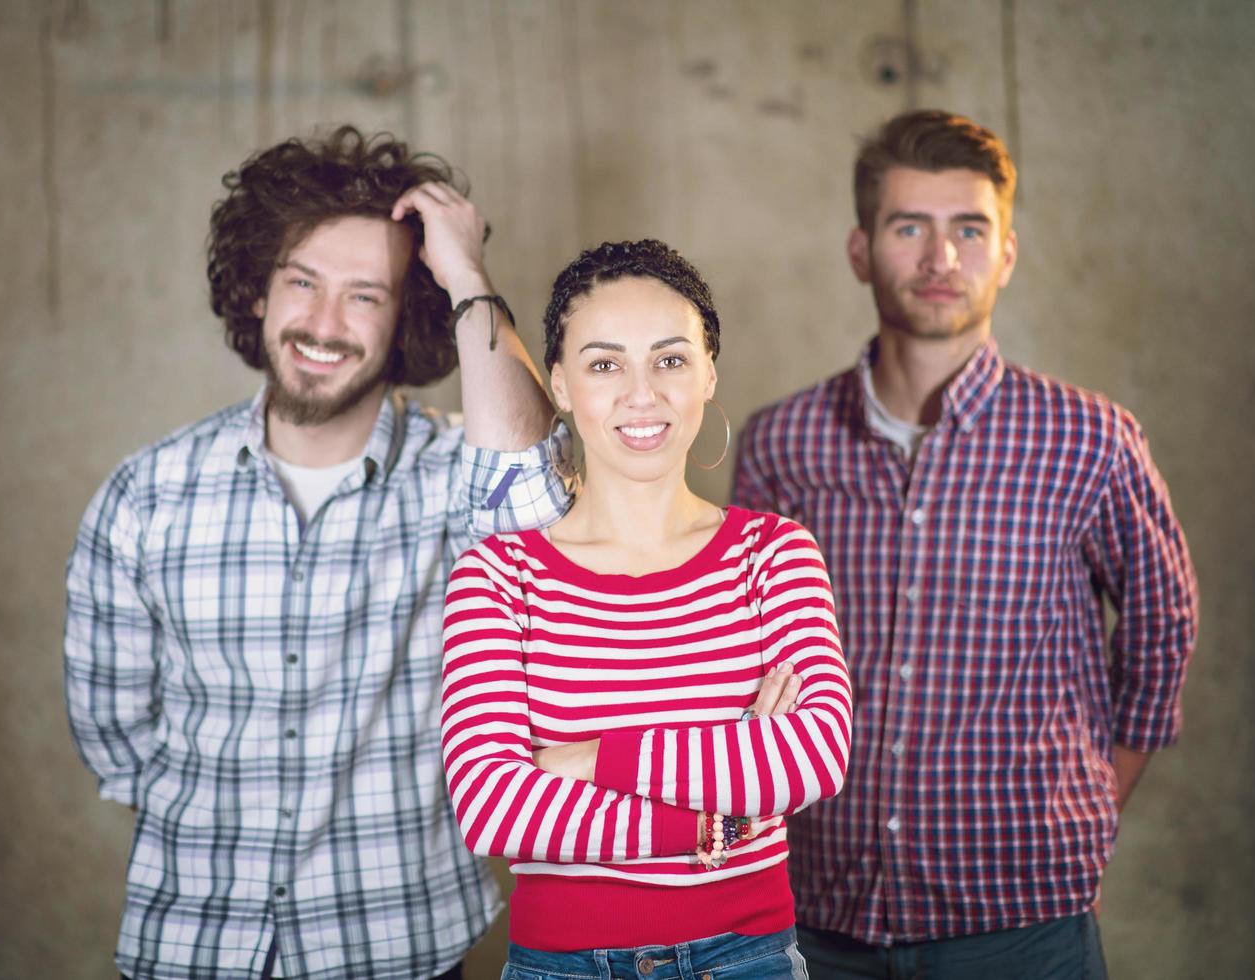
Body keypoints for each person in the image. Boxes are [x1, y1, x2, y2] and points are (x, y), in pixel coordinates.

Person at [63, 126, 572, 980]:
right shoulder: (145, 494)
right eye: (303, 282)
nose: (324, 325)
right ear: (257, 289)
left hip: (402, 946)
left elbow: (535, 507)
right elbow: (116, 734)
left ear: (407, 315)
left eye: (366, 296)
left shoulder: (458, 476)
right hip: (194, 948)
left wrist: (467, 278)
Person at [733, 109, 1199, 979]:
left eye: (969, 230)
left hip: (1022, 920)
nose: (941, 259)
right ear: (862, 251)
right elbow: (739, 659)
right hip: (816, 913)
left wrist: (1096, 802)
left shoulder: (1090, 439)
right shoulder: (780, 443)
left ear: (1007, 255)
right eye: (909, 227)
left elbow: (1162, 628)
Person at [440, 239, 854, 980]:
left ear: (707, 373)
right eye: (605, 364)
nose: (642, 393)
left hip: (748, 962)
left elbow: (812, 756)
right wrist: (718, 817)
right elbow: (493, 807)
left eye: (669, 359)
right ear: (560, 384)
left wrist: (594, 758)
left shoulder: (774, 554)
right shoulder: (498, 576)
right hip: (557, 969)